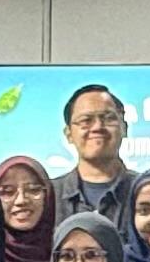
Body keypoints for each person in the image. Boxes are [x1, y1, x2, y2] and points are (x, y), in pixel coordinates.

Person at [54, 85, 136, 222]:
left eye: (108, 118)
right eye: (86, 120)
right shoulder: (48, 197)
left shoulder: (147, 191)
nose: (98, 127)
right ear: (69, 134)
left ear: (124, 128)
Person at [0, 155, 59, 262]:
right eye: (7, 192)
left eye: (33, 190)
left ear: (48, 197)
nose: (21, 201)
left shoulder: (66, 256)